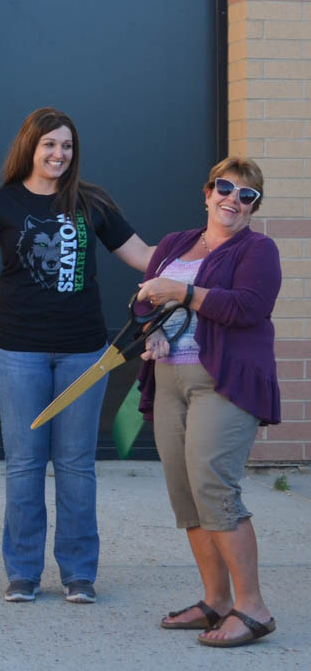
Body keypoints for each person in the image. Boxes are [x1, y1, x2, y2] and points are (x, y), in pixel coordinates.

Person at [0, 107, 152, 604]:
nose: (59, 154)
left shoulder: (91, 202)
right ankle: (24, 572)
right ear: (30, 146)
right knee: (25, 465)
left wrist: (209, 251)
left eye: (67, 145)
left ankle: (78, 574)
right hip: (17, 354)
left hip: (83, 353)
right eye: (50, 144)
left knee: (75, 465)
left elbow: (144, 256)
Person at [136, 157, 279, 648]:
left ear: (254, 208)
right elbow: (144, 298)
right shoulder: (176, 243)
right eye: (225, 188)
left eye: (246, 196)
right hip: (168, 377)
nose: (232, 200)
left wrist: (184, 291)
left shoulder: (258, 250)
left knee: (214, 487)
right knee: (186, 494)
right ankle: (216, 600)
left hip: (222, 380)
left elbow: (248, 307)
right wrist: (150, 332)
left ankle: (253, 607)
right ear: (207, 191)